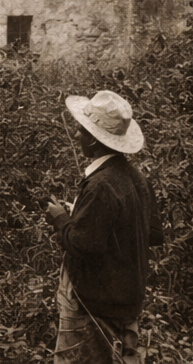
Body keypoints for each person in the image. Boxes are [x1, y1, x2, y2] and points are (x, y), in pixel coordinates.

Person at [45, 90, 164, 364]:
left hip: (94, 305)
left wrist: (60, 218)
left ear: (93, 140)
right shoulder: (137, 178)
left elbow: (82, 245)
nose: (77, 135)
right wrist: (85, 216)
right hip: (127, 301)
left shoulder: (100, 185)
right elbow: (153, 233)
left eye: (81, 130)